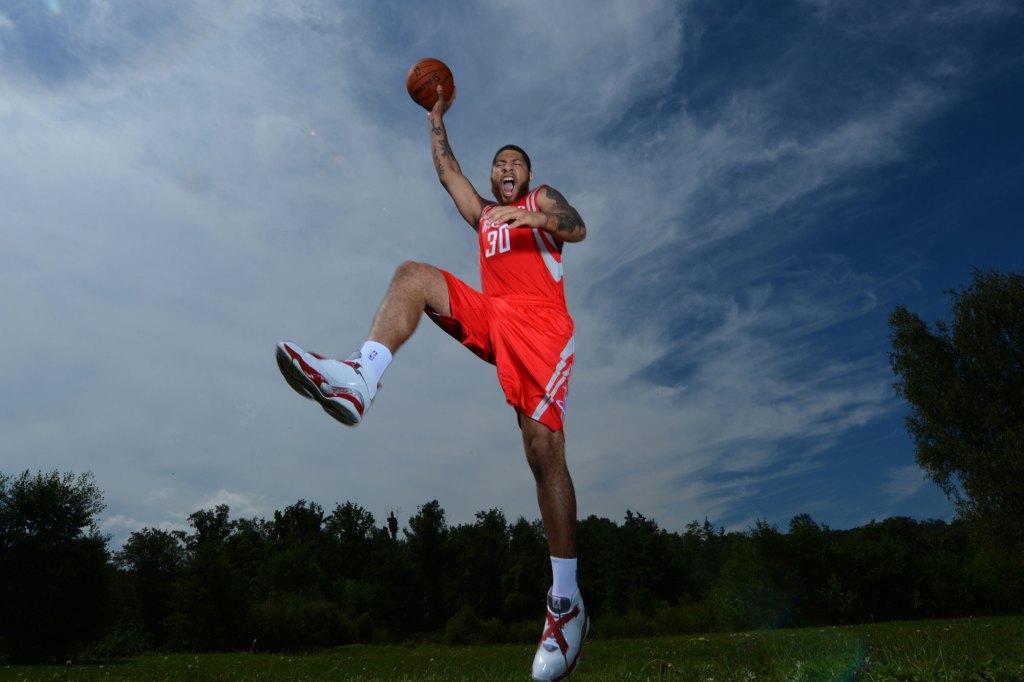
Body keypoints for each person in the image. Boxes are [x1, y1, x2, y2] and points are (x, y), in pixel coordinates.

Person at [275, 84, 588, 681]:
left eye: (515, 163)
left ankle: (567, 606)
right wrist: (436, 116)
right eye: (500, 163)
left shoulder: (541, 202)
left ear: (529, 175)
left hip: (542, 325)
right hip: (496, 317)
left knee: (541, 449)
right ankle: (360, 377)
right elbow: (448, 170)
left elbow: (576, 226)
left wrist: (537, 213)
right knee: (413, 276)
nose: (506, 169)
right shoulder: (485, 218)